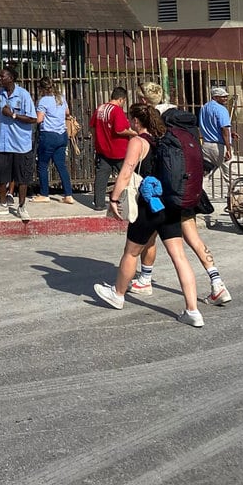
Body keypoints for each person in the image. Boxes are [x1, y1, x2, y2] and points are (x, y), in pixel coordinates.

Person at [93, 102, 204, 327]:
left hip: (148, 205)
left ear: (136, 121)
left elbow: (126, 172)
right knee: (179, 256)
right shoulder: (163, 138)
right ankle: (193, 310)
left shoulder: (138, 141)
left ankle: (118, 294)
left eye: (131, 119)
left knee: (131, 252)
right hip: (169, 203)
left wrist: (114, 198)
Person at [130, 102, 232, 306]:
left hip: (169, 197)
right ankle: (217, 283)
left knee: (150, 238)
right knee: (194, 239)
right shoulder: (186, 132)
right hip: (187, 193)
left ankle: (145, 279)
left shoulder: (162, 136)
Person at [0, 66, 38, 221]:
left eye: (3, 76)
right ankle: (2, 204)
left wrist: (13, 115)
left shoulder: (23, 95)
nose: (0, 78)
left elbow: (33, 118)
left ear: (11, 78)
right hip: (3, 143)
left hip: (20, 144)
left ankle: (21, 206)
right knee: (1, 175)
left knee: (22, 178)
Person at [89, 86, 135, 211]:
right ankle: (130, 200)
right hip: (119, 150)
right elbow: (119, 130)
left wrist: (98, 138)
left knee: (101, 177)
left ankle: (99, 203)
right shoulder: (117, 111)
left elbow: (92, 127)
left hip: (103, 149)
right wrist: (133, 133)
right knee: (127, 176)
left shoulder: (100, 108)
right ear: (121, 99)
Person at [32, 77, 75, 204]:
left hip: (48, 135)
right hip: (62, 134)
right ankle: (68, 194)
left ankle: (44, 194)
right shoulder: (60, 97)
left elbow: (39, 119)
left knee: (42, 165)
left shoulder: (43, 101)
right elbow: (67, 112)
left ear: (41, 88)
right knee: (61, 165)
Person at [199, 83, 233, 179]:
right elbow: (224, 129)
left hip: (206, 145)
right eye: (223, 97)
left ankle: (202, 189)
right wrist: (228, 149)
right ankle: (233, 189)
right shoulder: (221, 109)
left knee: (205, 174)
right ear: (215, 97)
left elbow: (211, 126)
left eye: (226, 97)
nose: (226, 99)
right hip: (219, 147)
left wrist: (231, 134)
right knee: (230, 175)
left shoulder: (204, 108)